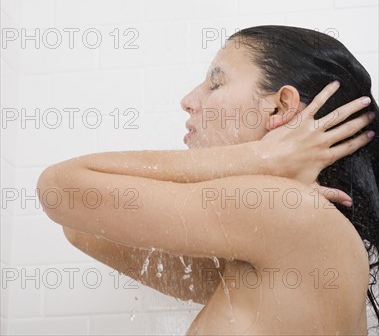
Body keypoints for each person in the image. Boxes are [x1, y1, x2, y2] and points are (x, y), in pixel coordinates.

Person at [37, 25, 378, 334]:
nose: (188, 101)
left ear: (278, 107)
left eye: (216, 83)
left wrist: (261, 159)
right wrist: (261, 163)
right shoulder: (286, 232)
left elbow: (59, 189)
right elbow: (85, 228)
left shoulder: (279, 206)